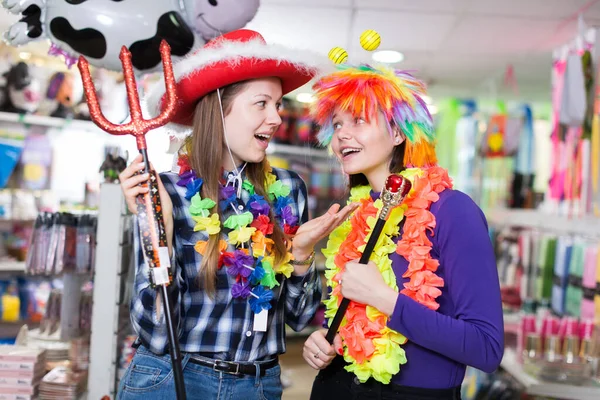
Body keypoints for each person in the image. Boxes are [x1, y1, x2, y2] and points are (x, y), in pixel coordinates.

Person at [116, 29, 356, 400]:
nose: (277, 118)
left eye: (278, 105)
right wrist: (157, 231)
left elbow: (301, 316)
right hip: (170, 379)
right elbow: (157, 332)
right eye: (262, 103)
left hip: (258, 385)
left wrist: (303, 256)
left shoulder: (288, 190)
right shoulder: (168, 191)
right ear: (218, 107)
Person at [303, 63, 504, 399]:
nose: (341, 134)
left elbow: (486, 347)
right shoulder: (357, 214)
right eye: (337, 124)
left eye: (358, 120)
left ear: (398, 133)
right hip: (336, 386)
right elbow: (355, 318)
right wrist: (326, 340)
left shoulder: (452, 210)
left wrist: (384, 299)